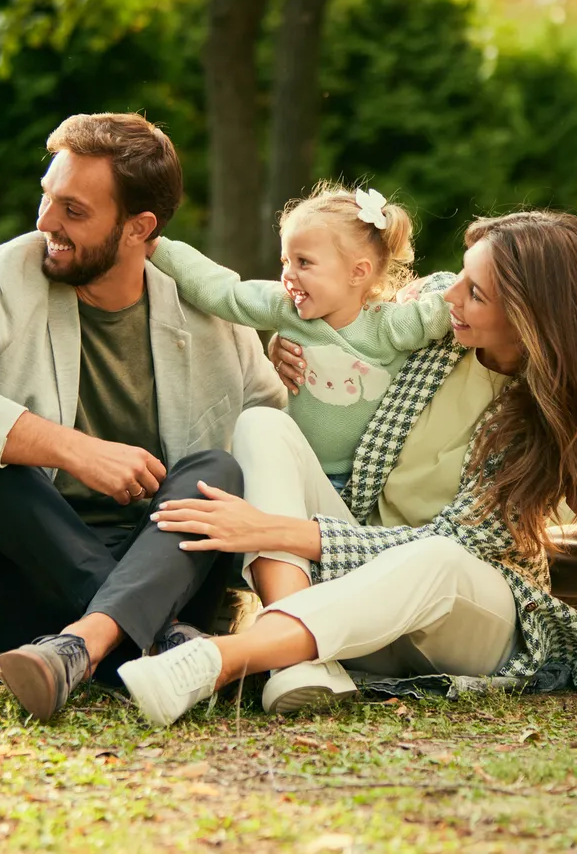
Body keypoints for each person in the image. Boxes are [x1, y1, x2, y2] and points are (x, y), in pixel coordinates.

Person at [112, 211, 577, 727]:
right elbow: (351, 324)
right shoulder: (439, 328)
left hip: (469, 617)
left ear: (526, 315)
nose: (451, 295)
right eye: (463, 276)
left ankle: (225, 660)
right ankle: (295, 660)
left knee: (438, 558)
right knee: (263, 426)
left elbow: (459, 543)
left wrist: (270, 529)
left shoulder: (555, 418)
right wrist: (299, 345)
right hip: (360, 587)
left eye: (476, 293)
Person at [0, 112, 286, 721]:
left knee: (218, 468)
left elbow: (270, 430)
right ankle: (156, 641)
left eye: (73, 211)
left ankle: (83, 647)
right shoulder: (9, 274)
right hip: (19, 579)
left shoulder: (202, 307)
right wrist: (69, 448)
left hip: (158, 567)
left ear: (138, 228)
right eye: (47, 199)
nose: (46, 224)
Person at [145, 181, 450, 607]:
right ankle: (278, 609)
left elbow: (443, 310)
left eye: (304, 262)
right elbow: (223, 290)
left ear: (358, 273)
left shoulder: (388, 327)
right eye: (286, 259)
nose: (288, 273)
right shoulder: (285, 310)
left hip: (358, 499)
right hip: (294, 482)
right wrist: (157, 247)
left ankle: (299, 619)